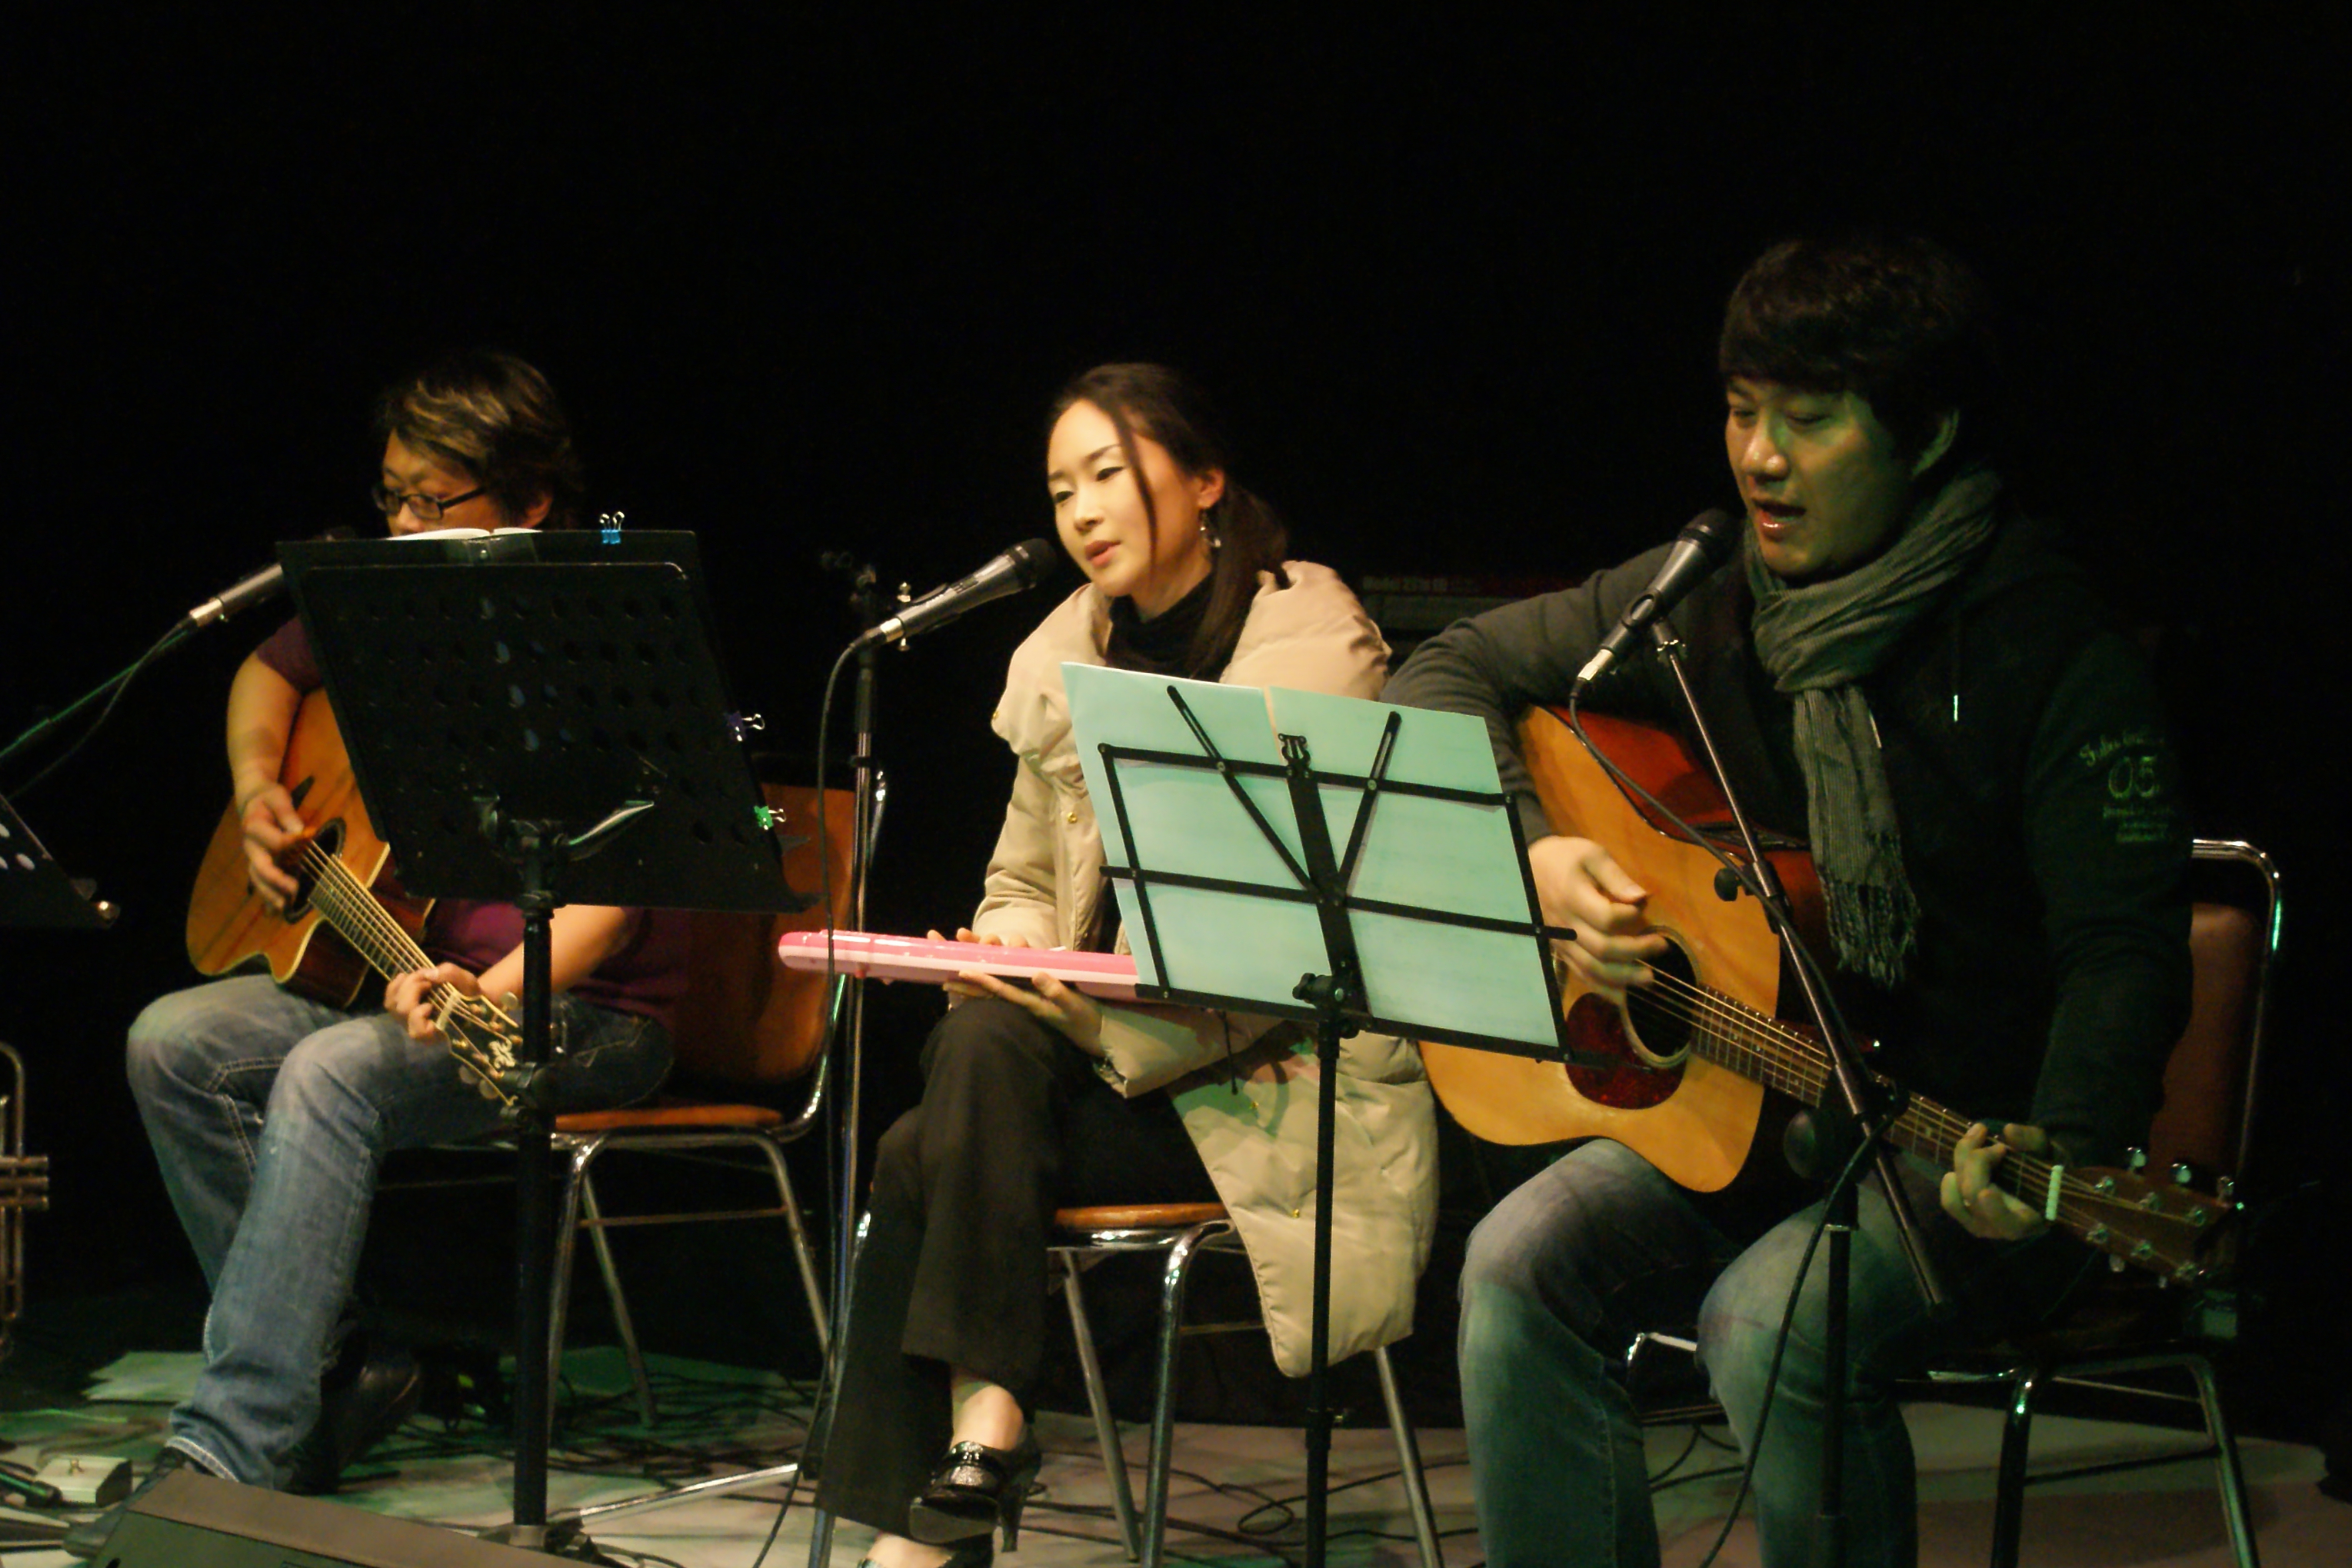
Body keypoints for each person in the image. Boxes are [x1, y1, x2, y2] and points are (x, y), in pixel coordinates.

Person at [1384, 233, 2191, 1567]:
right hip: (1768, 1111)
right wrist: (1533, 854)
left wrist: (2064, 1135)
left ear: (1926, 434)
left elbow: (2123, 948)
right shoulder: (1700, 602)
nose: (1757, 457)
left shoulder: (2046, 645)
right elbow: (1447, 669)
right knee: (1513, 1264)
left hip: (1969, 1149)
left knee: (1767, 1320)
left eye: (1807, 421)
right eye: (1740, 410)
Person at [810, 363, 1438, 1568]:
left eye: (1108, 474)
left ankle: (940, 1507)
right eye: (1060, 491)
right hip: (1080, 1064)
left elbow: (1289, 959)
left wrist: (1086, 1017)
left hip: (1262, 1087)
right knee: (976, 1039)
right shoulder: (1062, 658)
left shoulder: (1310, 650)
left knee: (919, 1148)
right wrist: (1009, 945)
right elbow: (1017, 880)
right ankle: (974, 1453)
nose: (1082, 512)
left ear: (1203, 482)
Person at [73, 352, 686, 1555]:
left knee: (332, 1074)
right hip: (406, 974)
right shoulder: (396, 614)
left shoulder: (605, 636)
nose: (401, 522)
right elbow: (266, 672)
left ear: (529, 500)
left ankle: (231, 1455)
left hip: (588, 1011)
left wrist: (486, 993)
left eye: (430, 499)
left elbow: (615, 906)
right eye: (391, 495)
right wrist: (258, 788)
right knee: (173, 1042)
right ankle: (341, 1364)